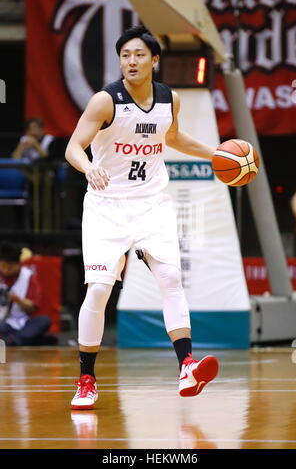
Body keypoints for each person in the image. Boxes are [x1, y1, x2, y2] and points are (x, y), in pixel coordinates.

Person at [65, 25, 219, 410]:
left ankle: (187, 365)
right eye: (124, 56)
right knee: (99, 291)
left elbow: (174, 138)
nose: (130, 62)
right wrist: (88, 167)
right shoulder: (105, 101)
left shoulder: (170, 99)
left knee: (170, 277)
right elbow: (73, 146)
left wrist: (216, 154)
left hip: (151, 204)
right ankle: (86, 379)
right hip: (106, 206)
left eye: (137, 55)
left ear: (154, 61)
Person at [0, 241, 51, 346]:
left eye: (9, 267)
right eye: (3, 266)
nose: (6, 270)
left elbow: (32, 307)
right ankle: (26, 339)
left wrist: (16, 299)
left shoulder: (28, 276)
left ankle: (11, 340)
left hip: (21, 321)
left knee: (44, 321)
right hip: (2, 322)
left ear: (18, 264)